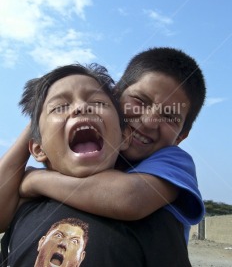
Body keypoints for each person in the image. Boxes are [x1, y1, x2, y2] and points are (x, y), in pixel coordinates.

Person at [0, 61, 192, 266]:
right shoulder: (26, 205)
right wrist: (38, 111)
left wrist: (34, 179)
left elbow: (130, 197)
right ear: (38, 149)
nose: (82, 107)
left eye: (98, 102)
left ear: (124, 137)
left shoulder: (156, 219)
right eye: (60, 106)